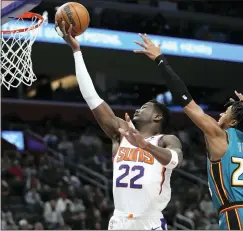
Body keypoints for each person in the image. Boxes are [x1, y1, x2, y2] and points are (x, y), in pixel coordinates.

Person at [55, 22, 183, 230]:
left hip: (149, 221)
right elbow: (92, 98)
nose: (138, 110)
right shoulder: (120, 133)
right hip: (120, 221)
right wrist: (76, 51)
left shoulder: (166, 140)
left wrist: (145, 145)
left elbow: (176, 161)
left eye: (145, 107)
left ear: (158, 117)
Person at [134, 33, 243, 230]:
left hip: (234, 216)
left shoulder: (219, 136)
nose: (221, 113)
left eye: (227, 111)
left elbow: (186, 102)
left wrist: (160, 60)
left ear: (234, 120)